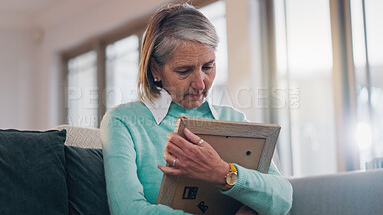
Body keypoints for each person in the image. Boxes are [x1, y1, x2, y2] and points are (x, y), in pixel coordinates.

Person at [100, 3, 292, 215]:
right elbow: (127, 210)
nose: (201, 84)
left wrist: (222, 172)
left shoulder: (232, 118)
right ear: (155, 69)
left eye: (208, 67)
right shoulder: (122, 122)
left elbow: (283, 199)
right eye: (184, 71)